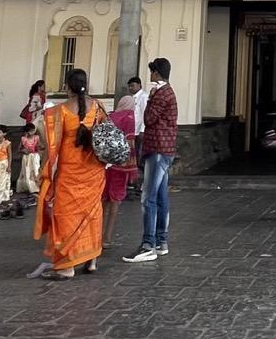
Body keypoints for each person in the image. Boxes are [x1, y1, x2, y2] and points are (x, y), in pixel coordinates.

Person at [34, 68, 106, 279]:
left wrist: (44, 170)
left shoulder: (60, 112)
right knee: (92, 213)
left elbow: (50, 146)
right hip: (93, 171)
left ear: (67, 86)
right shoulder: (98, 107)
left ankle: (66, 265)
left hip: (69, 173)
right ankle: (91, 258)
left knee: (65, 216)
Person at [124, 57, 178, 263]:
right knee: (161, 196)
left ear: (156, 73)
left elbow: (148, 119)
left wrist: (150, 99)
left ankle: (148, 244)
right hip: (165, 149)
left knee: (149, 197)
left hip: (157, 148)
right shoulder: (169, 92)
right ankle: (160, 242)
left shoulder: (161, 94)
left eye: (152, 72)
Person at [102, 95, 139, 246]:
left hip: (105, 164)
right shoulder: (129, 117)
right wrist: (132, 167)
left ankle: (95, 235)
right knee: (115, 202)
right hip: (120, 166)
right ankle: (107, 237)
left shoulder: (110, 116)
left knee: (103, 200)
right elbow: (130, 142)